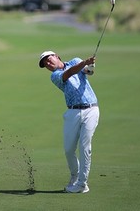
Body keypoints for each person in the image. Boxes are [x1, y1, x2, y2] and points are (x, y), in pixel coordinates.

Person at [38, 51, 99, 193]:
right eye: (45, 64)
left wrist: (90, 65)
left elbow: (88, 72)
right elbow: (69, 73)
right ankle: (75, 176)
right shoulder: (55, 76)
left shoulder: (75, 61)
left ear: (57, 56)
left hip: (91, 109)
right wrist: (84, 62)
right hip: (72, 112)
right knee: (69, 149)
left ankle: (82, 184)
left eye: (48, 59)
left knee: (85, 147)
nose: (47, 63)